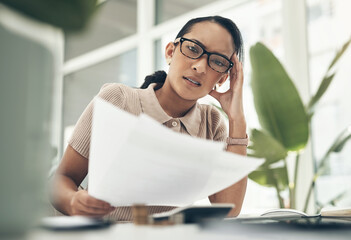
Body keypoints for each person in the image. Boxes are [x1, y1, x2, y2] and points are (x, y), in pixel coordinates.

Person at [50, 15, 248, 221]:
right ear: (171, 52)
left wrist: (236, 119)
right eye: (193, 49)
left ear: (223, 78)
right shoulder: (117, 100)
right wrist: (74, 201)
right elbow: (62, 179)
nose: (200, 67)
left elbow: (229, 209)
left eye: (217, 61)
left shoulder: (212, 122)